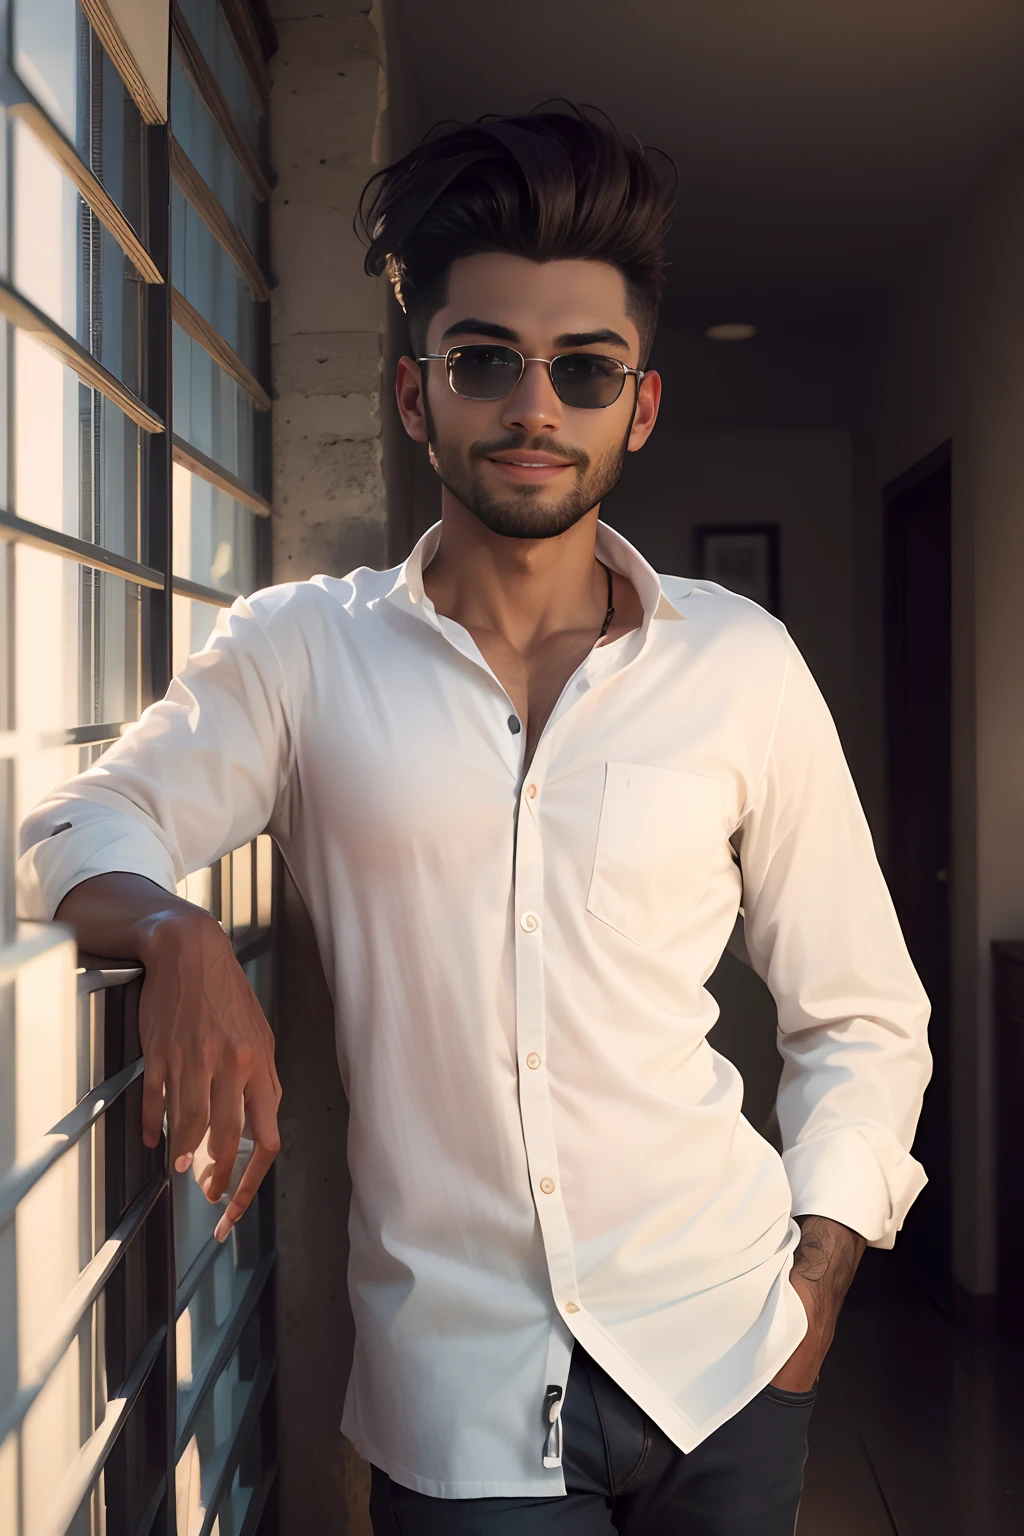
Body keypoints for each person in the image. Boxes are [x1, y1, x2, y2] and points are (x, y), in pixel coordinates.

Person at [18, 105, 931, 1535]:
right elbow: (75, 823)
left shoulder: (740, 664)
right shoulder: (298, 654)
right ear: (411, 394)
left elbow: (863, 1014)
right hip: (458, 1399)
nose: (532, 406)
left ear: (638, 405)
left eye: (582, 370)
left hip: (728, 1355)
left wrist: (812, 1288)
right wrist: (171, 923)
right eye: (486, 361)